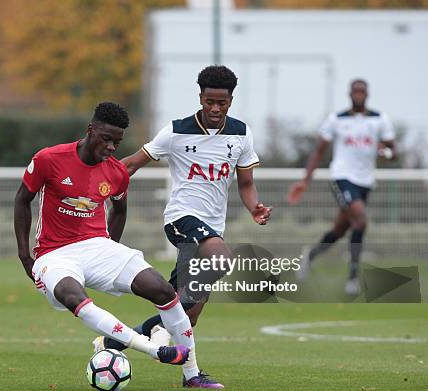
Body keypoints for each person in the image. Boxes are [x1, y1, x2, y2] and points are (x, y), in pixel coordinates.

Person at [14, 102, 223, 389]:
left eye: (118, 142)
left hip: (98, 246)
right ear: (91, 130)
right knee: (73, 297)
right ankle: (154, 350)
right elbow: (22, 200)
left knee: (162, 289)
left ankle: (192, 374)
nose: (112, 147)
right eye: (107, 139)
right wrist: (25, 256)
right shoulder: (50, 159)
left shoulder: (116, 172)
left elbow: (120, 210)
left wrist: (110, 248)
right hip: (54, 253)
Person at [99, 65, 271, 363]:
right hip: (181, 219)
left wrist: (254, 207)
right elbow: (131, 163)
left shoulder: (241, 134)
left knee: (187, 318)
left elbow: (246, 183)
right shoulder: (177, 131)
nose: (215, 108)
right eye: (209, 101)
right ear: (200, 97)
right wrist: (97, 182)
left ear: (231, 100)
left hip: (212, 228)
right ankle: (189, 368)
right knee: (221, 259)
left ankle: (114, 342)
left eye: (222, 103)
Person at [288, 79, 395, 295]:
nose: (358, 94)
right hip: (342, 177)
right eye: (355, 91)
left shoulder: (379, 119)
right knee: (361, 221)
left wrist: (386, 152)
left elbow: (393, 151)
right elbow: (319, 151)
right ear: (349, 94)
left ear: (367, 94)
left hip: (365, 181)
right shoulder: (336, 119)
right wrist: (305, 179)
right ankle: (353, 278)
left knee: (340, 230)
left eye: (361, 91)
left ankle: (310, 255)